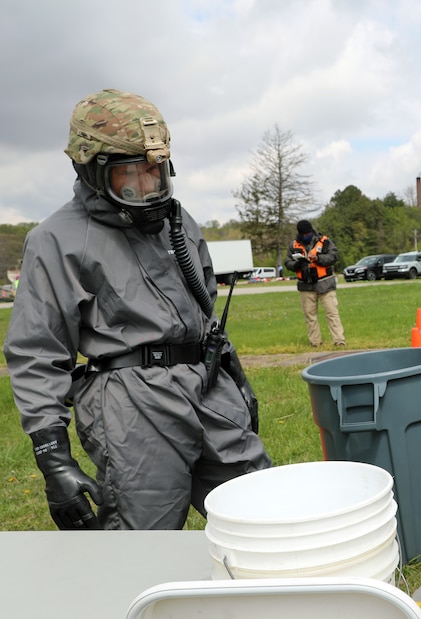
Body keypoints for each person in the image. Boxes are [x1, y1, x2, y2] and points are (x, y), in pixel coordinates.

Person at [3, 89, 271, 530]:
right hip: (133, 407)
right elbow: (37, 351)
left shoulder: (178, 223)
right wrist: (53, 457)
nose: (147, 188)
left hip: (208, 387)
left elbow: (203, 312)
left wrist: (235, 385)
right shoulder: (57, 240)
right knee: (143, 543)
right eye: (130, 174)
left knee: (265, 517)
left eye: (155, 172)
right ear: (90, 169)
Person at [284, 219, 346, 347]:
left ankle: (339, 341)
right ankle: (315, 342)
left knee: (332, 313)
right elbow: (287, 262)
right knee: (310, 316)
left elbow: (333, 256)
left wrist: (318, 259)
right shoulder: (293, 245)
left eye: (307, 234)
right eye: (303, 234)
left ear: (311, 231)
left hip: (325, 284)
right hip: (306, 285)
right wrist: (297, 264)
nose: (305, 236)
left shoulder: (325, 241)